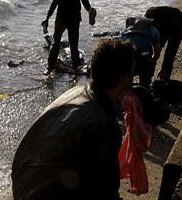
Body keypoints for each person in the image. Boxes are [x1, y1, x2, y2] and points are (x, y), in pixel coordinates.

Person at [11, 39, 136, 199]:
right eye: (133, 70)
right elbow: (106, 189)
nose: (134, 75)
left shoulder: (78, 91)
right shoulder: (103, 123)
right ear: (124, 78)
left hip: (23, 184)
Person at [41, 0, 96, 74]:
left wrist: (90, 10)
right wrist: (47, 18)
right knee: (55, 43)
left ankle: (76, 67)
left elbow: (85, 2)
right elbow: (54, 3)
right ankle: (50, 67)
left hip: (75, 19)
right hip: (61, 18)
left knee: (74, 44)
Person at [144, 6, 182, 80]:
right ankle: (148, 76)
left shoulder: (172, 23)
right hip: (166, 21)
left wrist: (164, 69)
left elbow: (167, 51)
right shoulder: (150, 15)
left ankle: (164, 78)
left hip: (179, 24)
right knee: (154, 49)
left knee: (170, 53)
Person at [120, 17, 161, 89]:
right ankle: (145, 88)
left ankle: (126, 90)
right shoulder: (154, 30)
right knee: (145, 77)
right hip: (144, 54)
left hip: (128, 54)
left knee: (127, 75)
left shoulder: (125, 32)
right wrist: (152, 60)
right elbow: (157, 52)